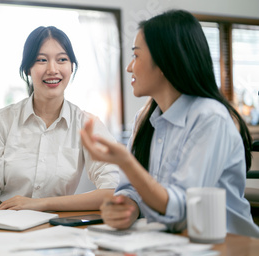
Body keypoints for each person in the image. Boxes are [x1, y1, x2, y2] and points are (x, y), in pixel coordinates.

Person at [80, 9, 259, 237]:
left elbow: (183, 209)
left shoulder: (210, 118)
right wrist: (127, 208)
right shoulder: (144, 120)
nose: (129, 67)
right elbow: (131, 190)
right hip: (169, 242)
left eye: (136, 56)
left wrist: (125, 162)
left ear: (165, 61)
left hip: (228, 245)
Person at [0, 26, 119, 211]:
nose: (52, 69)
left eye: (62, 59)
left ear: (72, 67)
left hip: (53, 227)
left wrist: (40, 204)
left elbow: (113, 191)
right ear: (28, 68)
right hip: (0, 226)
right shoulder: (1, 122)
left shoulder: (87, 125)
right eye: (41, 60)